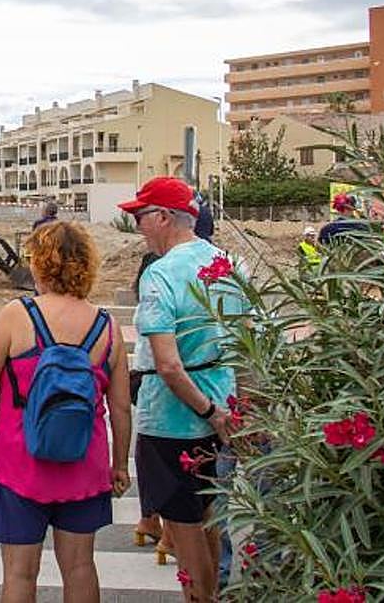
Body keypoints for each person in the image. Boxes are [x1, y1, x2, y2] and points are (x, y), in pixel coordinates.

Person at [0, 222, 131, 603]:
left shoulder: (17, 314)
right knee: (80, 568)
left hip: (20, 464)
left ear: (41, 263)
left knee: (19, 573)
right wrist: (120, 465)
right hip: (83, 464)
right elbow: (121, 407)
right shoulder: (107, 325)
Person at [118, 177, 245, 603]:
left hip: (173, 422)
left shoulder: (161, 274)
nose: (138, 227)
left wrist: (207, 411)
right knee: (211, 523)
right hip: (224, 410)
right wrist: (229, 412)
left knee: (185, 536)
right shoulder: (229, 264)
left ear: (163, 217)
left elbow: (168, 365)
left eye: (140, 217)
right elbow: (247, 344)